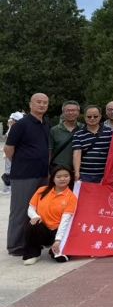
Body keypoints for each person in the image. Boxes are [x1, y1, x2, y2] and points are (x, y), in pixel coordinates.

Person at [4, 93, 50, 256]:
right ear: (30, 104)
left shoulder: (45, 123)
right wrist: (22, 162)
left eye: (45, 102)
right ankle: (16, 245)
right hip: (24, 175)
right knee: (21, 210)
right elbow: (8, 149)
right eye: (38, 102)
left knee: (40, 209)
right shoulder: (21, 125)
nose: (42, 105)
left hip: (43, 174)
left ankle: (35, 240)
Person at [22, 165, 77, 265]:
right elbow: (31, 208)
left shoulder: (72, 197)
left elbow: (65, 221)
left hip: (58, 231)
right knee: (32, 224)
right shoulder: (42, 190)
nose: (63, 179)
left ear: (70, 178)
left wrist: (58, 240)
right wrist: (35, 217)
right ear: (53, 178)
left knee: (61, 259)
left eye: (66, 176)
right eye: (58, 176)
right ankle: (33, 254)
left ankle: (54, 249)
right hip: (43, 228)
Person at [72, 105, 113, 183]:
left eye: (95, 116)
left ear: (100, 116)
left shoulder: (109, 132)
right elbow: (77, 153)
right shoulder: (78, 134)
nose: (92, 118)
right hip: (85, 175)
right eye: (89, 116)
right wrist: (76, 172)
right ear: (85, 117)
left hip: (104, 175)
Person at [49, 100, 81, 173]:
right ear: (63, 112)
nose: (71, 113)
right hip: (58, 170)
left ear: (78, 112)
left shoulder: (83, 128)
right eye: (68, 110)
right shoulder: (54, 130)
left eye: (73, 110)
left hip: (79, 170)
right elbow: (49, 152)